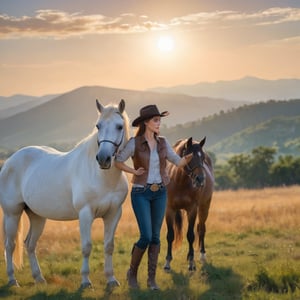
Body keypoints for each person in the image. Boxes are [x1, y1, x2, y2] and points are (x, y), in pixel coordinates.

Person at [114, 104, 192, 290]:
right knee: (146, 236)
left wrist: (192, 155)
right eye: (156, 120)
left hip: (160, 193)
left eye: (159, 120)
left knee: (156, 237)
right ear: (146, 123)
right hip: (141, 192)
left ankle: (151, 280)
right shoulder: (134, 143)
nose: (159, 124)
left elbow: (178, 161)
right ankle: (132, 274)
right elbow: (117, 161)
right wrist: (133, 170)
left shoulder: (163, 142)